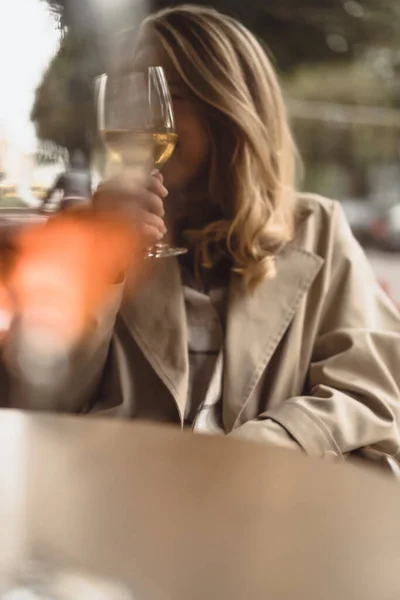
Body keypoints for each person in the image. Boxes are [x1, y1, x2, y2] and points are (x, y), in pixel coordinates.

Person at [1, 4, 400, 467]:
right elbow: (33, 399)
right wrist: (100, 263)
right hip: (116, 493)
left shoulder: (318, 227)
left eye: (166, 97)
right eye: (131, 101)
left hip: (265, 498)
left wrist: (253, 451)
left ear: (226, 109)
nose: (139, 123)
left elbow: (369, 390)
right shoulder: (97, 227)